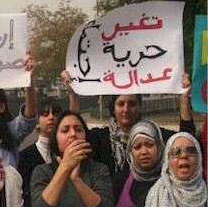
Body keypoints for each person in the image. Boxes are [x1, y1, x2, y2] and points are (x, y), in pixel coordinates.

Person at [65, 72, 196, 178]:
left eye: (132, 104)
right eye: (121, 104)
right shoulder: (100, 138)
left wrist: (184, 98)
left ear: (139, 107)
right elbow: (75, 136)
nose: (126, 109)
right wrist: (73, 95)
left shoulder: (155, 136)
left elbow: (186, 139)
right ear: (113, 108)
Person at [17, 99, 61, 207]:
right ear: (37, 121)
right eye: (45, 114)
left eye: (55, 114)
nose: (51, 118)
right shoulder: (24, 158)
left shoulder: (67, 154)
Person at [113, 120, 165, 207]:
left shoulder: (170, 181)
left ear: (159, 147)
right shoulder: (120, 181)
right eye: (137, 147)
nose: (144, 152)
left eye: (149, 145)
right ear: (130, 151)